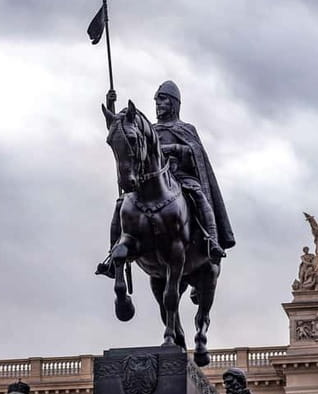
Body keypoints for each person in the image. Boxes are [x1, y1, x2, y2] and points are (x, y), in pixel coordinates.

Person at [99, 81, 234, 275]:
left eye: (162, 101)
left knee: (198, 196)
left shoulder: (186, 128)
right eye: (156, 102)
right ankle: (113, 255)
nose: (158, 105)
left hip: (180, 177)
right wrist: (110, 105)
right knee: (122, 202)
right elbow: (121, 134)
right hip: (150, 181)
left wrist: (174, 149)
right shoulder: (150, 129)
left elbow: (194, 152)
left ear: (173, 104)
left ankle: (212, 241)